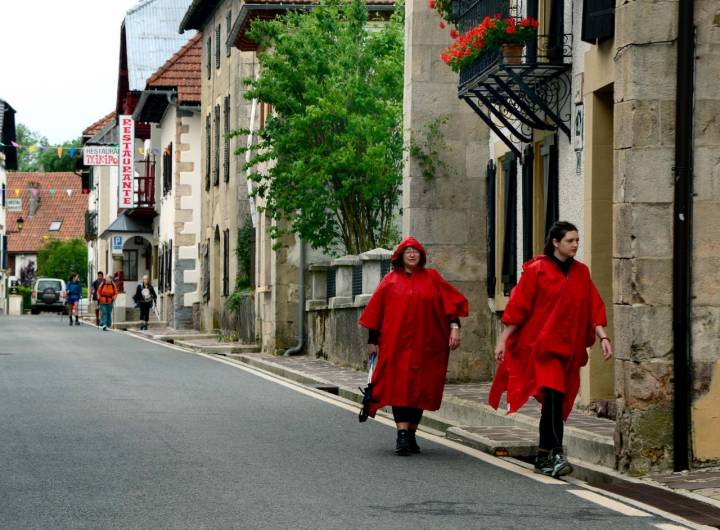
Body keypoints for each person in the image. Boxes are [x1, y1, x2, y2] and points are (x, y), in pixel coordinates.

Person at [488, 221, 613, 478]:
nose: (576, 245)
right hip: (542, 349)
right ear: (555, 242)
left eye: (578, 240)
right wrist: (503, 340)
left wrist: (602, 336)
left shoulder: (581, 272)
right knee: (554, 397)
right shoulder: (537, 270)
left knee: (557, 403)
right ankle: (556, 452)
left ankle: (544, 455)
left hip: (569, 349)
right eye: (570, 241)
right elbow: (519, 307)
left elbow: (592, 305)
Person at [359, 236, 468, 455]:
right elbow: (376, 313)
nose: (412, 254)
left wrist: (454, 327)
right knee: (399, 387)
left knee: (421, 388)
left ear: (421, 256)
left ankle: (411, 433)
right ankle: (401, 435)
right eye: (408, 251)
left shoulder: (433, 279)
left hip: (428, 345)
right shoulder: (390, 281)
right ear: (400, 256)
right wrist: (373, 341)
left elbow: (450, 305)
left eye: (416, 251)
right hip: (396, 344)